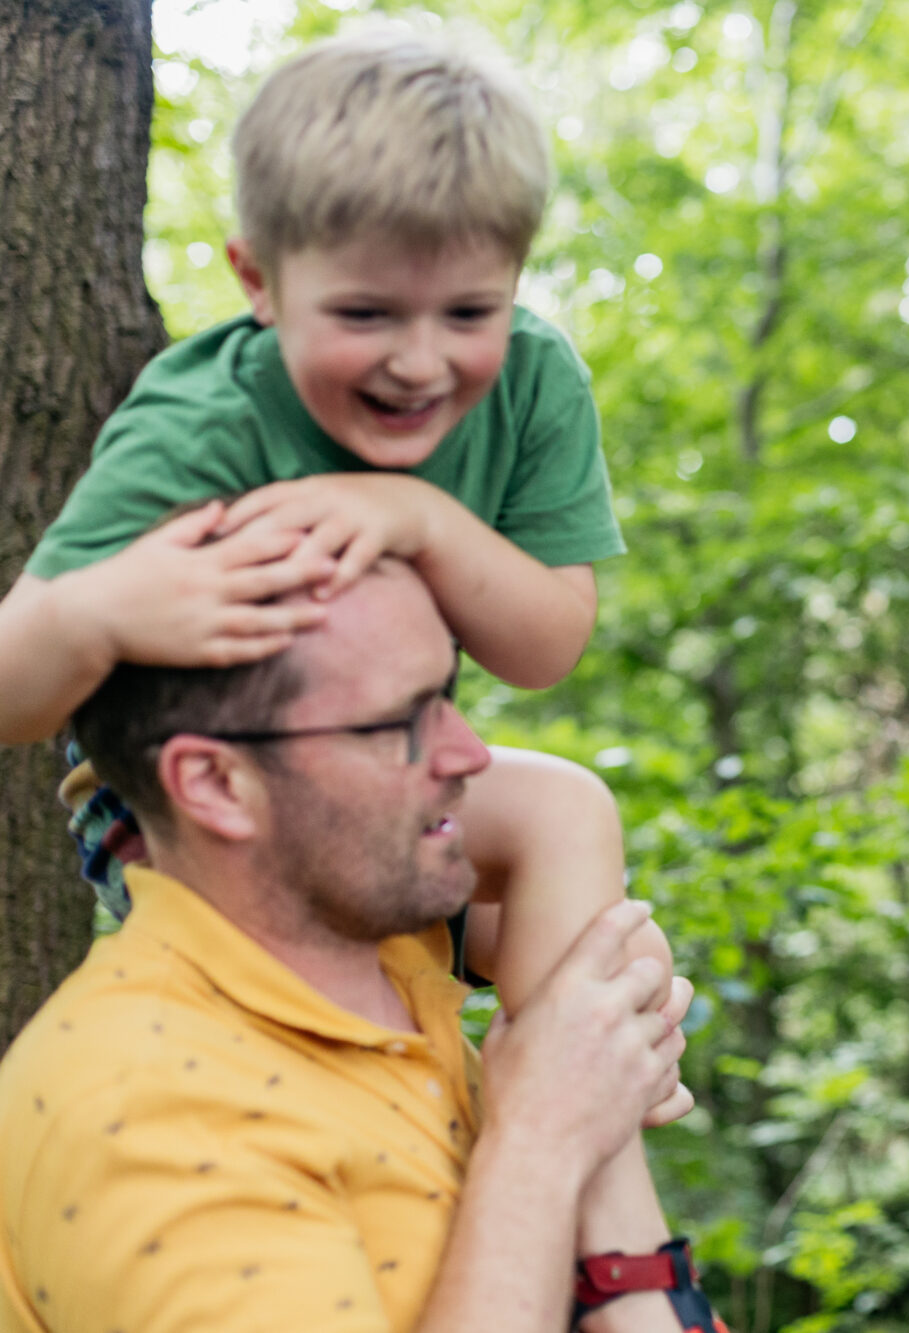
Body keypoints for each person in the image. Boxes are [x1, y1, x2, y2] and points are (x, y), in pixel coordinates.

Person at [0, 29, 678, 1290]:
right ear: (258, 279)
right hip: (193, 821)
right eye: (365, 313)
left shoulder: (528, 381)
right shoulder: (197, 423)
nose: (421, 361)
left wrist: (423, 519)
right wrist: (98, 612)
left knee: (567, 814)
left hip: (389, 796)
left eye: (466, 311)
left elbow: (542, 645)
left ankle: (601, 1172)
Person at [0, 562, 726, 1333]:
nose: (470, 753)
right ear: (215, 783)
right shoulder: (144, 1114)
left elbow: (554, 817)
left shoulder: (371, 955)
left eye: (446, 698)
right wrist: (546, 1135)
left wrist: (597, 1045)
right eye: (398, 722)